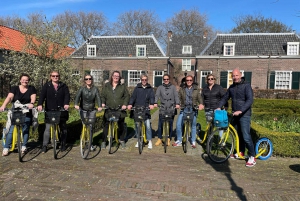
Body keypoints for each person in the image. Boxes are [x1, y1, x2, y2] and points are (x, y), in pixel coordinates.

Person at [216, 68, 256, 167]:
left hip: (244, 115)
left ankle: (252, 156)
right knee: (238, 135)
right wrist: (218, 106)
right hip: (235, 114)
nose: (235, 77)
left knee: (246, 136)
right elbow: (225, 98)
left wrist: (241, 110)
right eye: (233, 76)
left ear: (240, 75)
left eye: (236, 75)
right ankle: (240, 152)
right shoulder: (232, 87)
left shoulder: (246, 86)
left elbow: (249, 100)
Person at [0, 73, 37, 156]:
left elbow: (33, 97)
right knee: (11, 130)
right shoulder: (15, 88)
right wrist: (3, 105)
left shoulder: (31, 88)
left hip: (26, 111)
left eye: (26, 80)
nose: (25, 81)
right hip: (16, 111)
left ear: (28, 81)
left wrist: (32, 103)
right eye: (23, 79)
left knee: (25, 128)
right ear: (20, 80)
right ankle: (6, 147)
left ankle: (24, 146)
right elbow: (9, 97)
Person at [38, 71, 70, 153]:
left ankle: (63, 144)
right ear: (50, 77)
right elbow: (42, 95)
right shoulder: (47, 86)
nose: (55, 77)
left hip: (61, 110)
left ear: (59, 76)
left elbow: (67, 95)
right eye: (53, 76)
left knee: (63, 128)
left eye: (57, 76)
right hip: (50, 109)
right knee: (47, 128)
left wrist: (66, 103)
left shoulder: (63, 86)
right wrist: (40, 104)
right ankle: (44, 145)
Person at [172, 75, 204, 148]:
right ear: (185, 81)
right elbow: (178, 97)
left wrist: (201, 104)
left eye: (190, 80)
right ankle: (179, 140)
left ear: (192, 81)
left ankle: (193, 141)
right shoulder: (182, 89)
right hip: (184, 109)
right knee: (178, 124)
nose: (189, 81)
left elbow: (200, 98)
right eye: (187, 80)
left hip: (193, 109)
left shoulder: (196, 89)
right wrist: (177, 104)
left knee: (193, 126)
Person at [101, 71, 129, 149]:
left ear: (119, 77)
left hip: (119, 109)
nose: (116, 77)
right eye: (115, 75)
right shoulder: (107, 86)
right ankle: (104, 141)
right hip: (109, 108)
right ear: (112, 76)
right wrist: (103, 103)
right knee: (106, 125)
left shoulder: (122, 86)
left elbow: (127, 96)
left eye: (118, 76)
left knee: (121, 125)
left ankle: (122, 140)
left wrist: (125, 104)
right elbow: (102, 96)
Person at [127, 74, 155, 149]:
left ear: (147, 80)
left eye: (145, 80)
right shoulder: (137, 88)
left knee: (148, 126)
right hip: (137, 108)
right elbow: (133, 97)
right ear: (141, 80)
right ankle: (138, 140)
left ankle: (149, 141)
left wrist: (151, 104)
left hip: (146, 109)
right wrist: (130, 104)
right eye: (143, 80)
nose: (144, 81)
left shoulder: (150, 89)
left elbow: (152, 97)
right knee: (137, 125)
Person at [74, 74, 102, 149]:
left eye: (90, 79)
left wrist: (99, 106)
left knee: (91, 126)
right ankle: (83, 139)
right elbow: (77, 97)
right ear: (84, 81)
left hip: (92, 109)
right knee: (84, 124)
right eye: (86, 79)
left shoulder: (95, 89)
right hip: (83, 109)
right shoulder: (82, 88)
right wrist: (76, 104)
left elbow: (98, 98)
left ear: (92, 80)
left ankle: (90, 143)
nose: (88, 80)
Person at [154, 74, 180, 146]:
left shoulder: (173, 87)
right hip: (163, 107)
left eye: (167, 79)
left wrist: (177, 103)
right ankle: (159, 138)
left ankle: (168, 138)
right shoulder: (160, 87)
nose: (166, 80)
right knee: (160, 124)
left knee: (171, 124)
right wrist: (155, 102)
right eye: (164, 79)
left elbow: (176, 96)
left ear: (169, 79)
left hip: (171, 107)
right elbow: (157, 95)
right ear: (163, 80)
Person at [200, 74, 227, 138]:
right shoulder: (204, 88)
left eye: (212, 79)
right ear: (206, 80)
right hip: (208, 110)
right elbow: (202, 98)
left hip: (217, 110)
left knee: (219, 126)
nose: (210, 80)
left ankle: (221, 142)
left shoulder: (219, 87)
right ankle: (210, 141)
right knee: (209, 126)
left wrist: (225, 107)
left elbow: (224, 97)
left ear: (214, 80)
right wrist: (202, 104)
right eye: (209, 79)